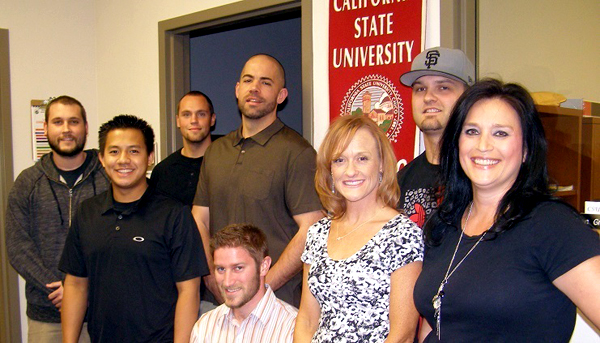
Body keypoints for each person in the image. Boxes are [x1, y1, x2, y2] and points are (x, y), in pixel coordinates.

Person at [413, 79, 600, 342]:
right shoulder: (444, 224)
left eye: (500, 133)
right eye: (471, 132)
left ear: (525, 150)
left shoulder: (553, 226)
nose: (483, 146)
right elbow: (436, 321)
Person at [59, 115, 207, 343]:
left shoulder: (174, 215)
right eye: (114, 151)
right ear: (101, 158)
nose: (123, 160)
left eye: (134, 151)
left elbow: (189, 291)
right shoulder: (87, 213)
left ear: (150, 157)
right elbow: (76, 284)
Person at [192, 54, 323, 308]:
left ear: (281, 95)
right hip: (217, 302)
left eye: (266, 82)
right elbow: (199, 219)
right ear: (237, 89)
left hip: (276, 304)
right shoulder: (216, 152)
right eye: (248, 80)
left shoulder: (298, 153)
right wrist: (211, 279)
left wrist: (260, 291)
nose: (254, 88)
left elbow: (311, 228)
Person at [294, 115, 424, 342]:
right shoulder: (317, 234)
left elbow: (402, 333)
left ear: (382, 164)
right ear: (330, 169)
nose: (350, 171)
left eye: (362, 158)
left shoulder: (402, 234)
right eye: (340, 160)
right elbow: (306, 320)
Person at [5, 95, 108, 343]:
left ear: (85, 127)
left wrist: (84, 289)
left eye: (73, 122)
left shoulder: (108, 178)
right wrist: (59, 287)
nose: (66, 129)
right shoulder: (28, 182)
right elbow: (17, 245)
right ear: (46, 128)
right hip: (47, 315)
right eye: (58, 122)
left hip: (103, 313)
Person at [397, 47, 474, 227]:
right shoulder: (399, 182)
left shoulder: (481, 175)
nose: (428, 97)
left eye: (443, 87)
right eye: (420, 88)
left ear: (470, 97)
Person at [190, 224, 298, 343]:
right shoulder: (204, 327)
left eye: (238, 268)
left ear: (263, 266)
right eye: (221, 269)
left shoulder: (293, 328)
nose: (227, 282)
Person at [150, 91, 216, 205]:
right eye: (186, 114)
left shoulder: (228, 165)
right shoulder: (162, 172)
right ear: (178, 121)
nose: (194, 120)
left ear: (212, 119)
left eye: (201, 114)